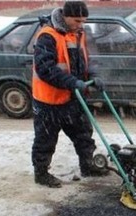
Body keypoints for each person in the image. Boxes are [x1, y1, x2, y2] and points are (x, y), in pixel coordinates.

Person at [31, 0, 107, 188]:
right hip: (49, 101)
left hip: (73, 98)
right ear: (65, 17)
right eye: (77, 20)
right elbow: (45, 69)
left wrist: (94, 76)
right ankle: (41, 173)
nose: (81, 25)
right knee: (46, 139)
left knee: (83, 134)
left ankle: (88, 165)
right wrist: (73, 82)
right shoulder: (47, 36)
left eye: (83, 21)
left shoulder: (78, 34)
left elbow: (87, 60)